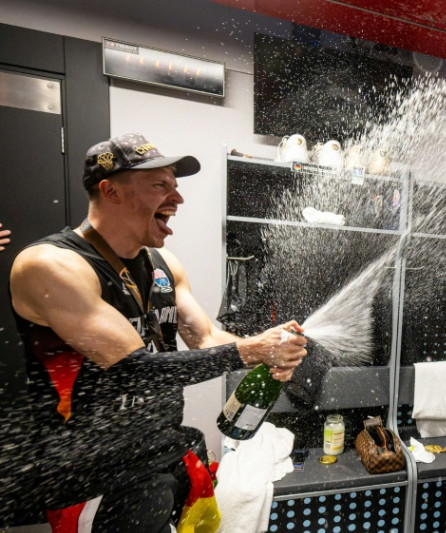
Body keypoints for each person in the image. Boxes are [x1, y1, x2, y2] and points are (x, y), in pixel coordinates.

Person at [8, 133, 308, 532]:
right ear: (110, 191)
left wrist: (271, 349)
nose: (177, 198)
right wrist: (250, 351)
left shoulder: (164, 262)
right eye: (160, 186)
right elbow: (134, 370)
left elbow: (205, 338)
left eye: (175, 186)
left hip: (167, 452)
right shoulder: (51, 265)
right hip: (96, 475)